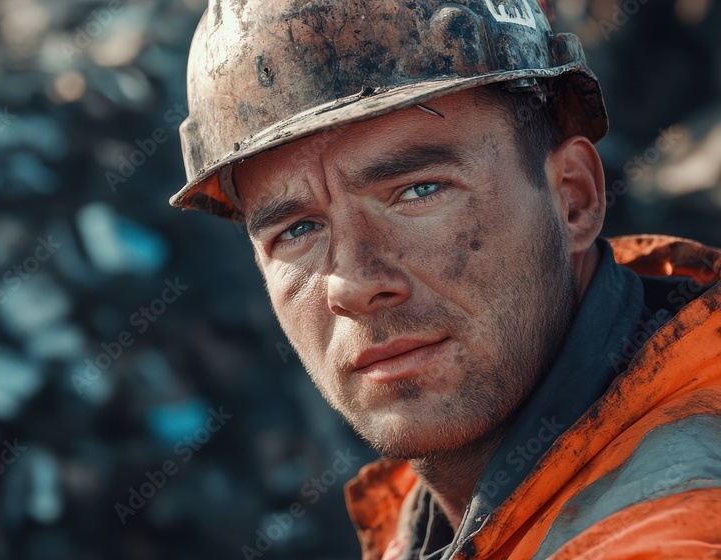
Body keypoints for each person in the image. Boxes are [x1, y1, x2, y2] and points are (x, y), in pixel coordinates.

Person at [168, 0, 721, 558]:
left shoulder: (676, 527)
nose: (352, 284)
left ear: (573, 200)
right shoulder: (434, 514)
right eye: (296, 229)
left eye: (419, 191)